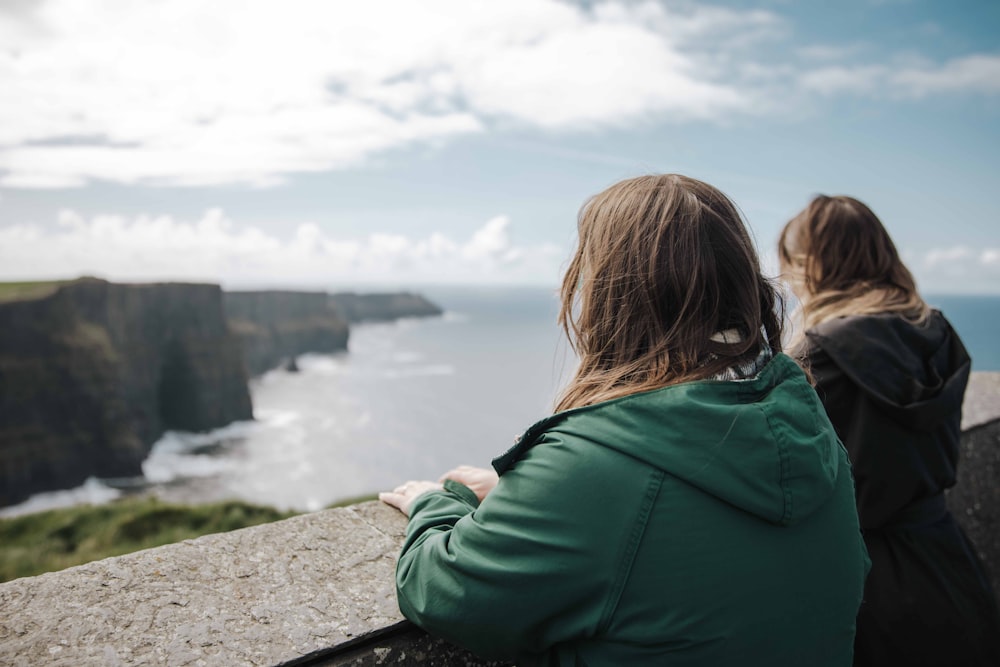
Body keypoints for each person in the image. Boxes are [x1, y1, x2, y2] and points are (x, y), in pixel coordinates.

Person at [380, 174, 869, 666]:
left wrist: (436, 505)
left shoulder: (592, 463)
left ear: (612, 294)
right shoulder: (805, 424)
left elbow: (440, 589)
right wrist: (530, 498)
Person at [778, 194, 1000, 667]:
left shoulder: (816, 357)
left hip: (854, 580)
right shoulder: (937, 334)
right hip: (946, 562)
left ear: (812, 266)